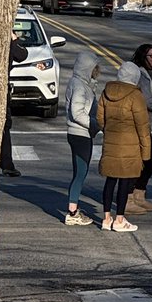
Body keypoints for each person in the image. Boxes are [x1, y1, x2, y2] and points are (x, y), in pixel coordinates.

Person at [96, 60, 151, 233]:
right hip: (130, 146)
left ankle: (106, 218)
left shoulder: (106, 92)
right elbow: (143, 126)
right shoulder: (136, 96)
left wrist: (108, 130)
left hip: (111, 144)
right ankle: (119, 219)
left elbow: (100, 118)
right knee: (124, 182)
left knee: (110, 181)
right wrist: (146, 153)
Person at [63, 53, 100, 225]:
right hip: (80, 134)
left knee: (80, 172)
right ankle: (72, 213)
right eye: (95, 68)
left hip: (80, 134)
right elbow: (77, 113)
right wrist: (94, 124)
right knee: (80, 173)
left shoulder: (80, 83)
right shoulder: (79, 86)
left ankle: (73, 208)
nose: (97, 71)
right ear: (87, 68)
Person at [128, 42, 152, 214]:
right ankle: (128, 198)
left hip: (146, 124)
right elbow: (147, 100)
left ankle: (139, 196)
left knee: (148, 163)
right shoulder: (140, 74)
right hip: (137, 124)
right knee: (142, 163)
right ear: (143, 56)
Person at [0, 32, 29, 177]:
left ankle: (7, 164)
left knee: (5, 126)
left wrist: (14, 39)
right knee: (4, 127)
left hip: (2, 87)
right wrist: (14, 39)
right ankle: (6, 164)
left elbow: (22, 55)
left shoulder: (10, 42)